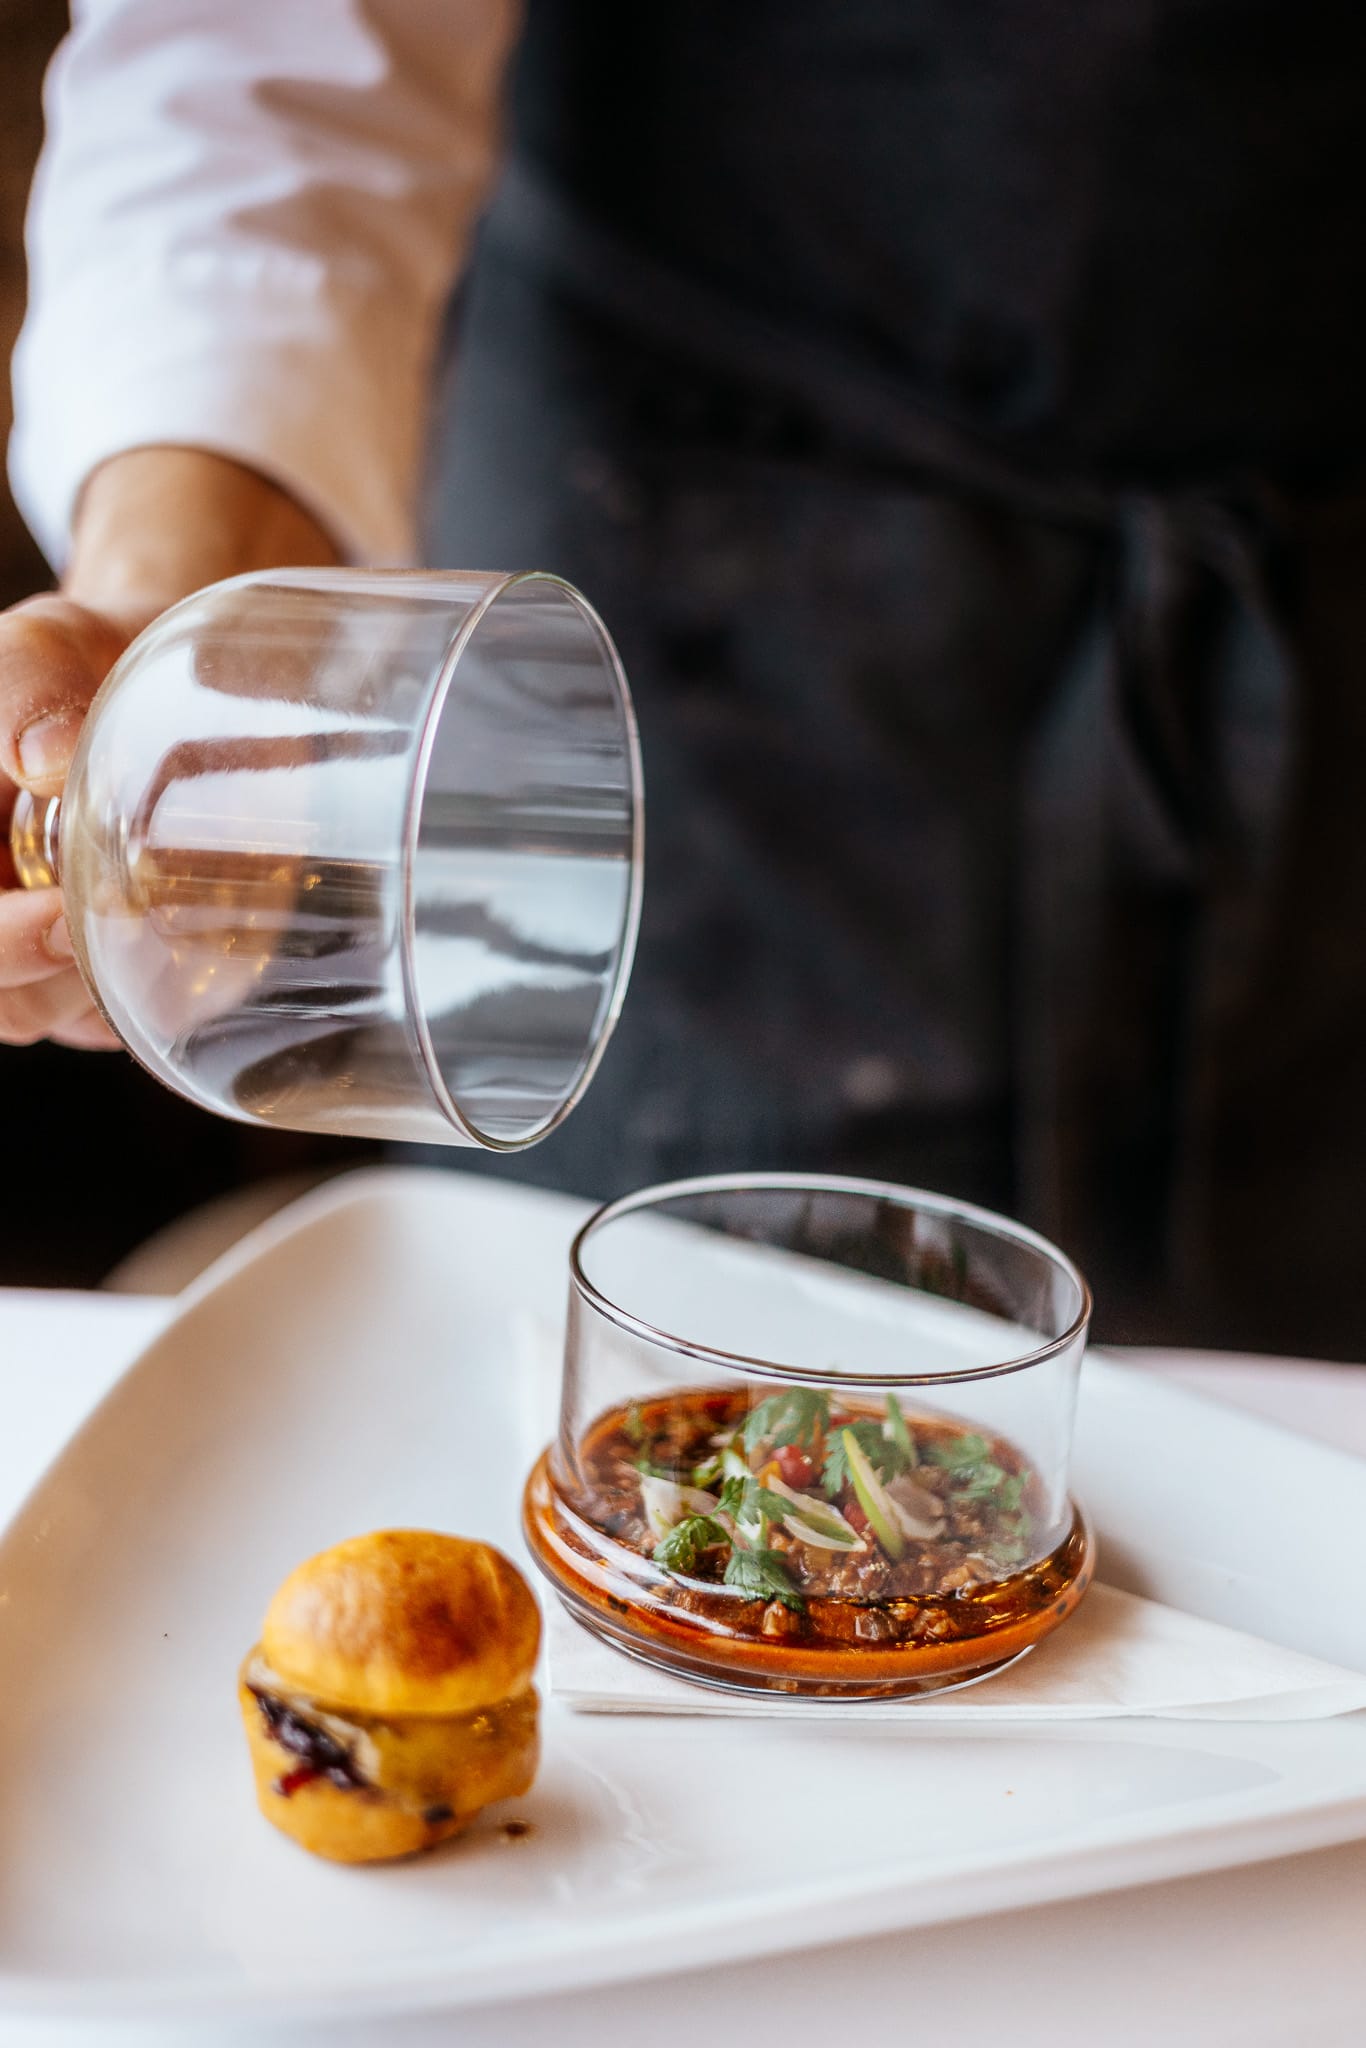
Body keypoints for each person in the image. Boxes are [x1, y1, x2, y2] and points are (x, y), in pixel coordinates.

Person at [4, 1, 1366, 1353]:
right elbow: (274, 66)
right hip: (678, 568)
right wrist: (171, 616)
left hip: (1329, 621)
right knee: (645, 1389)